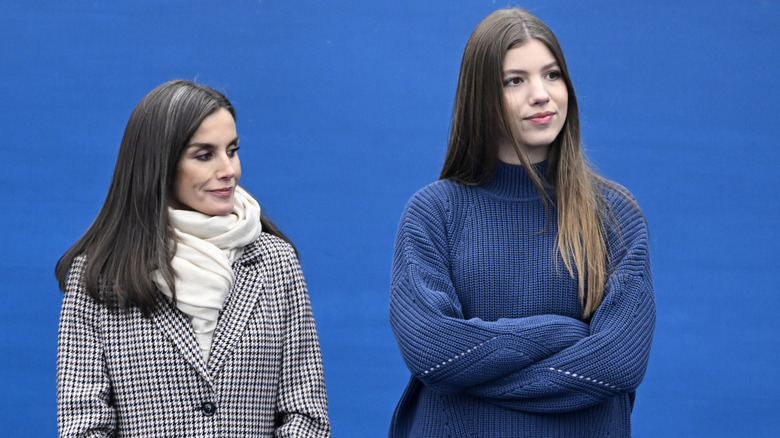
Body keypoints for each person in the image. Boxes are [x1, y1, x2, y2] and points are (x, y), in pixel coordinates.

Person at [388, 8, 654, 437]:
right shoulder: (433, 213)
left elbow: (619, 362)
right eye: (515, 80)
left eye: (552, 75)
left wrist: (476, 370)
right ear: (480, 97)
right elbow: (432, 353)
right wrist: (564, 331)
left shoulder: (615, 216)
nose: (541, 95)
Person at [55, 79, 330, 437]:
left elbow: (306, 415)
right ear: (160, 165)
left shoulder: (275, 262)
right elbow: (83, 425)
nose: (229, 169)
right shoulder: (99, 274)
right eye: (204, 155)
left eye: (232, 150)